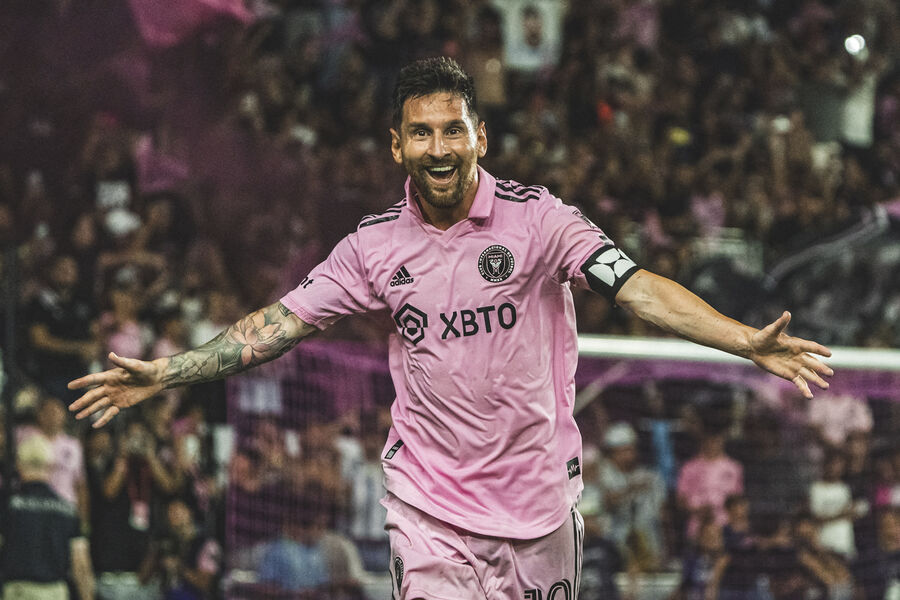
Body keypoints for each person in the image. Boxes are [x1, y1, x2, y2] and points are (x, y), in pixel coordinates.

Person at [68, 57, 834, 599]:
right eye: (421, 133)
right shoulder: (373, 247)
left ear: (479, 137)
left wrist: (742, 339)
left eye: (452, 130)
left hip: (540, 503)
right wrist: (167, 372)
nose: (438, 148)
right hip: (429, 504)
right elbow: (277, 324)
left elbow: (636, 288)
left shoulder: (541, 221)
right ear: (398, 145)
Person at [1, 434, 95, 600]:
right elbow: (80, 564)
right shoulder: (67, 508)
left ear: (19, 465)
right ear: (51, 467)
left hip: (17, 591)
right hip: (55, 591)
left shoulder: (7, 505)